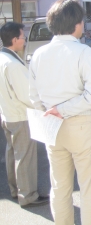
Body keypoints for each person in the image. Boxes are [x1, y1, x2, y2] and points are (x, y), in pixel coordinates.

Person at [29, 0, 91, 224]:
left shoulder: (39, 54)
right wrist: (62, 109)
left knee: (60, 188)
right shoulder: (84, 52)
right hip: (81, 124)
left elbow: (33, 95)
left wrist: (49, 111)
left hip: (51, 126)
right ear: (78, 24)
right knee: (90, 190)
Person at [0, 22, 49, 208]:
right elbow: (27, 95)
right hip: (20, 116)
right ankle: (27, 195)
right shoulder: (13, 64)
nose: (24, 40)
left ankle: (16, 190)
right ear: (14, 40)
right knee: (25, 157)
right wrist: (44, 108)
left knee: (12, 153)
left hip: (8, 114)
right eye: (23, 36)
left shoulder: (3, 58)